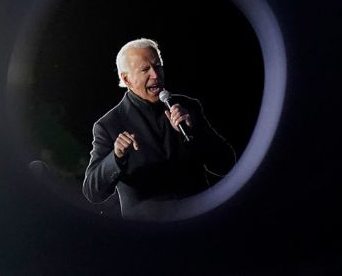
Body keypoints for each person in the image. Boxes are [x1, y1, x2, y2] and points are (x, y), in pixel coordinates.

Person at [82, 38, 236, 219]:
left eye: (158, 66)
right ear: (126, 79)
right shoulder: (109, 125)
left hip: (199, 221)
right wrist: (116, 157)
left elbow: (226, 164)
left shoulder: (187, 107)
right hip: (150, 234)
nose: (156, 75)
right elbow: (92, 192)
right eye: (145, 69)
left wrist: (194, 133)